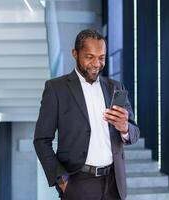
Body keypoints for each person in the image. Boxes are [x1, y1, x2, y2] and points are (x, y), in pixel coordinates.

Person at [33, 29, 140, 200]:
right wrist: (62, 180)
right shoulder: (56, 89)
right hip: (77, 182)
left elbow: (134, 133)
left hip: (114, 183)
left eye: (101, 57)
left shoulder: (116, 87)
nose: (96, 63)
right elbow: (41, 140)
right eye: (89, 57)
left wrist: (125, 127)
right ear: (75, 54)